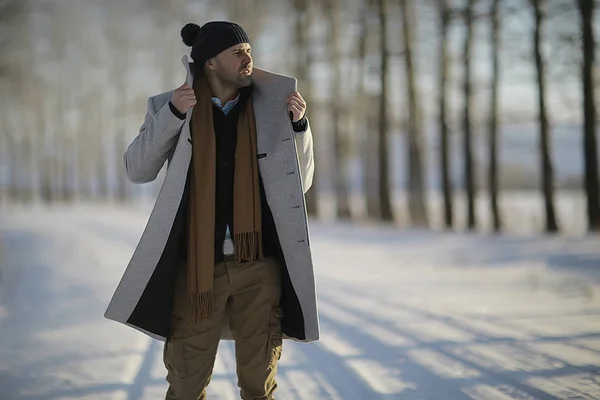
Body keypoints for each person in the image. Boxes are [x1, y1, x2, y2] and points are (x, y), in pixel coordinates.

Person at [104, 21, 320, 399]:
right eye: (238, 52)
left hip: (258, 267)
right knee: (186, 384)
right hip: (197, 271)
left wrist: (299, 128)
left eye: (250, 51)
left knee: (259, 385)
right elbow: (137, 170)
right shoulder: (169, 105)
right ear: (210, 63)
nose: (247, 59)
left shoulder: (271, 107)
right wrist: (172, 113)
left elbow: (298, 186)